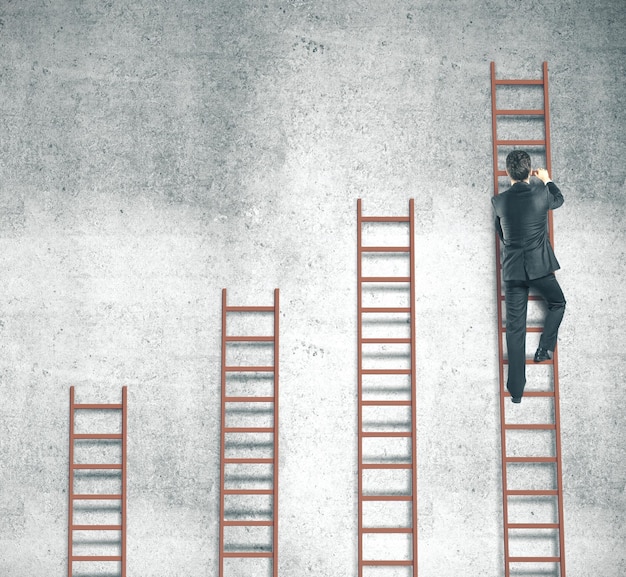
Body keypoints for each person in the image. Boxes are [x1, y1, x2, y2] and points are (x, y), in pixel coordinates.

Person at [492, 150, 566, 403]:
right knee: (558, 303)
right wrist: (546, 179)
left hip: (513, 271)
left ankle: (516, 390)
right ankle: (545, 347)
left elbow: (499, 232)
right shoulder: (541, 193)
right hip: (540, 268)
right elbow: (559, 199)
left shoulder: (498, 201)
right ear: (530, 169)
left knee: (515, 330)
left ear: (507, 172)